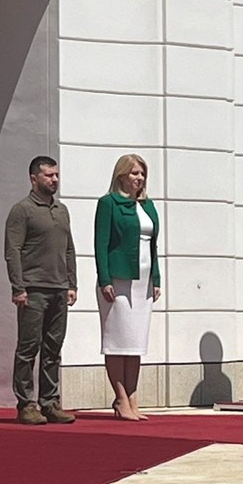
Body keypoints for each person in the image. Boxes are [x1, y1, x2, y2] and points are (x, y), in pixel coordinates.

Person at [4, 156, 77, 424]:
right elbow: (12, 251)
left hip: (59, 288)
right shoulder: (21, 210)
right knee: (28, 348)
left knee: (53, 349)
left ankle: (50, 402)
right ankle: (26, 404)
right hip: (33, 289)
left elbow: (69, 248)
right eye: (48, 175)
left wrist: (72, 283)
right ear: (34, 179)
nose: (54, 180)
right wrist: (18, 287)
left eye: (56, 175)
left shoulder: (61, 210)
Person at [95, 153, 162, 421]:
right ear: (122, 174)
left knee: (135, 344)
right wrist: (105, 279)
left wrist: (156, 279)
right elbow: (100, 243)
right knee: (117, 342)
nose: (139, 178)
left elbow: (154, 246)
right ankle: (120, 398)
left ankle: (133, 398)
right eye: (135, 173)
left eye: (142, 173)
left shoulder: (148, 206)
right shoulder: (108, 203)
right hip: (118, 280)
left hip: (143, 282)